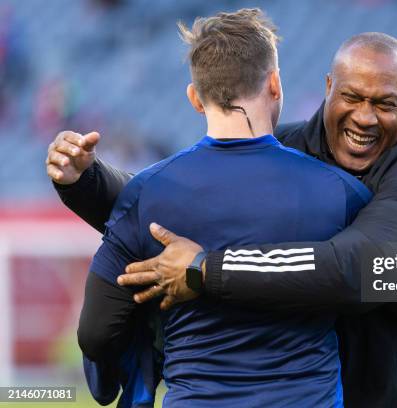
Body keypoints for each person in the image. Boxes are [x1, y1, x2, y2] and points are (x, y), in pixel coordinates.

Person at [48, 31, 397, 408]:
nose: (365, 117)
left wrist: (207, 268)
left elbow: (355, 268)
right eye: (353, 97)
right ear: (328, 88)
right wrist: (87, 182)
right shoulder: (287, 149)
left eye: (384, 103)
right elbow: (175, 205)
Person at [75, 8, 371, 407]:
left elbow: (96, 331)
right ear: (275, 84)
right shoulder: (342, 192)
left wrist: (139, 357)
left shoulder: (147, 193)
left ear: (195, 98)